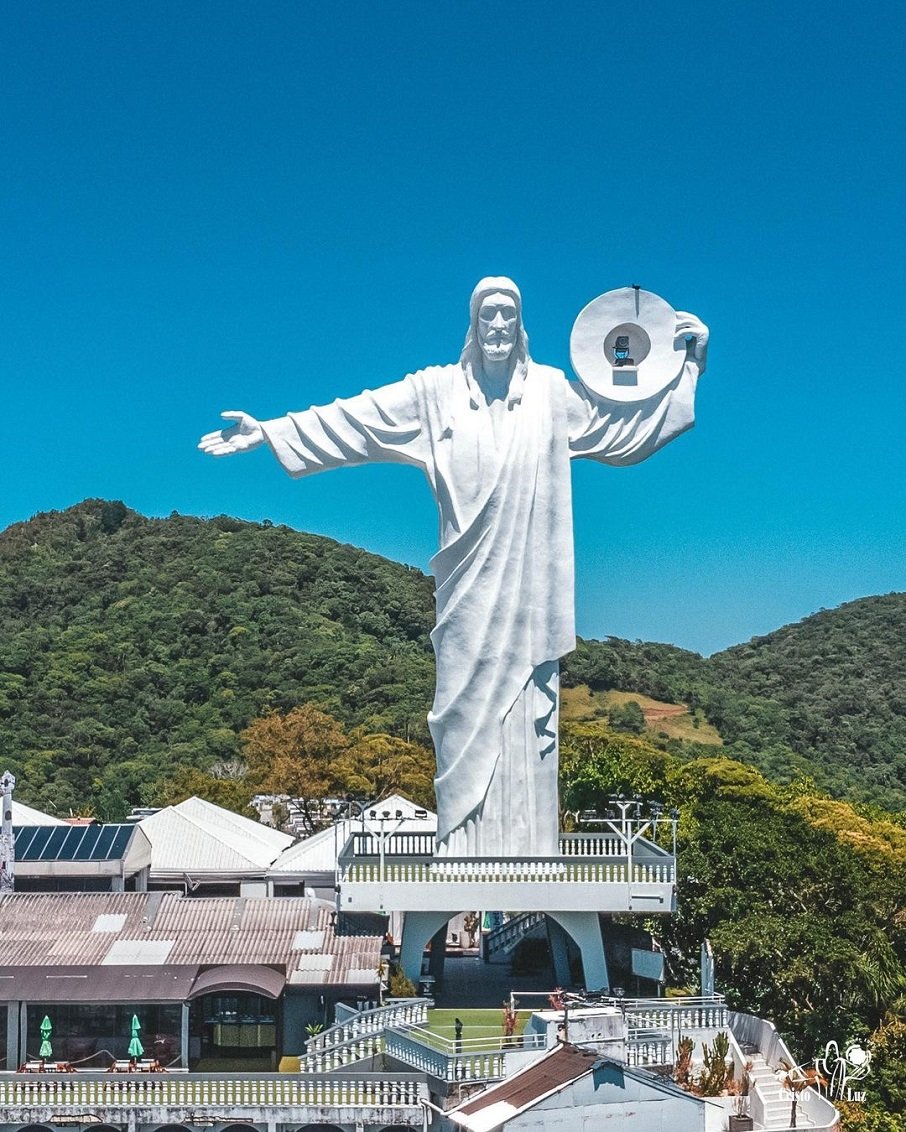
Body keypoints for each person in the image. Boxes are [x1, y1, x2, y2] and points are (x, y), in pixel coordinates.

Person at [199, 277, 708, 857]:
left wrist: (688, 366)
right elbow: (357, 419)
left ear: (520, 326)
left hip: (529, 590)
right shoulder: (432, 392)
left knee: (530, 708)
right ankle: (463, 842)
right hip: (466, 586)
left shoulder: (551, 392)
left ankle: (529, 845)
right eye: (487, 314)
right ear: (473, 324)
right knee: (461, 709)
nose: (497, 325)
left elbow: (623, 429)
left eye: (507, 315)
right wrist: (271, 431)